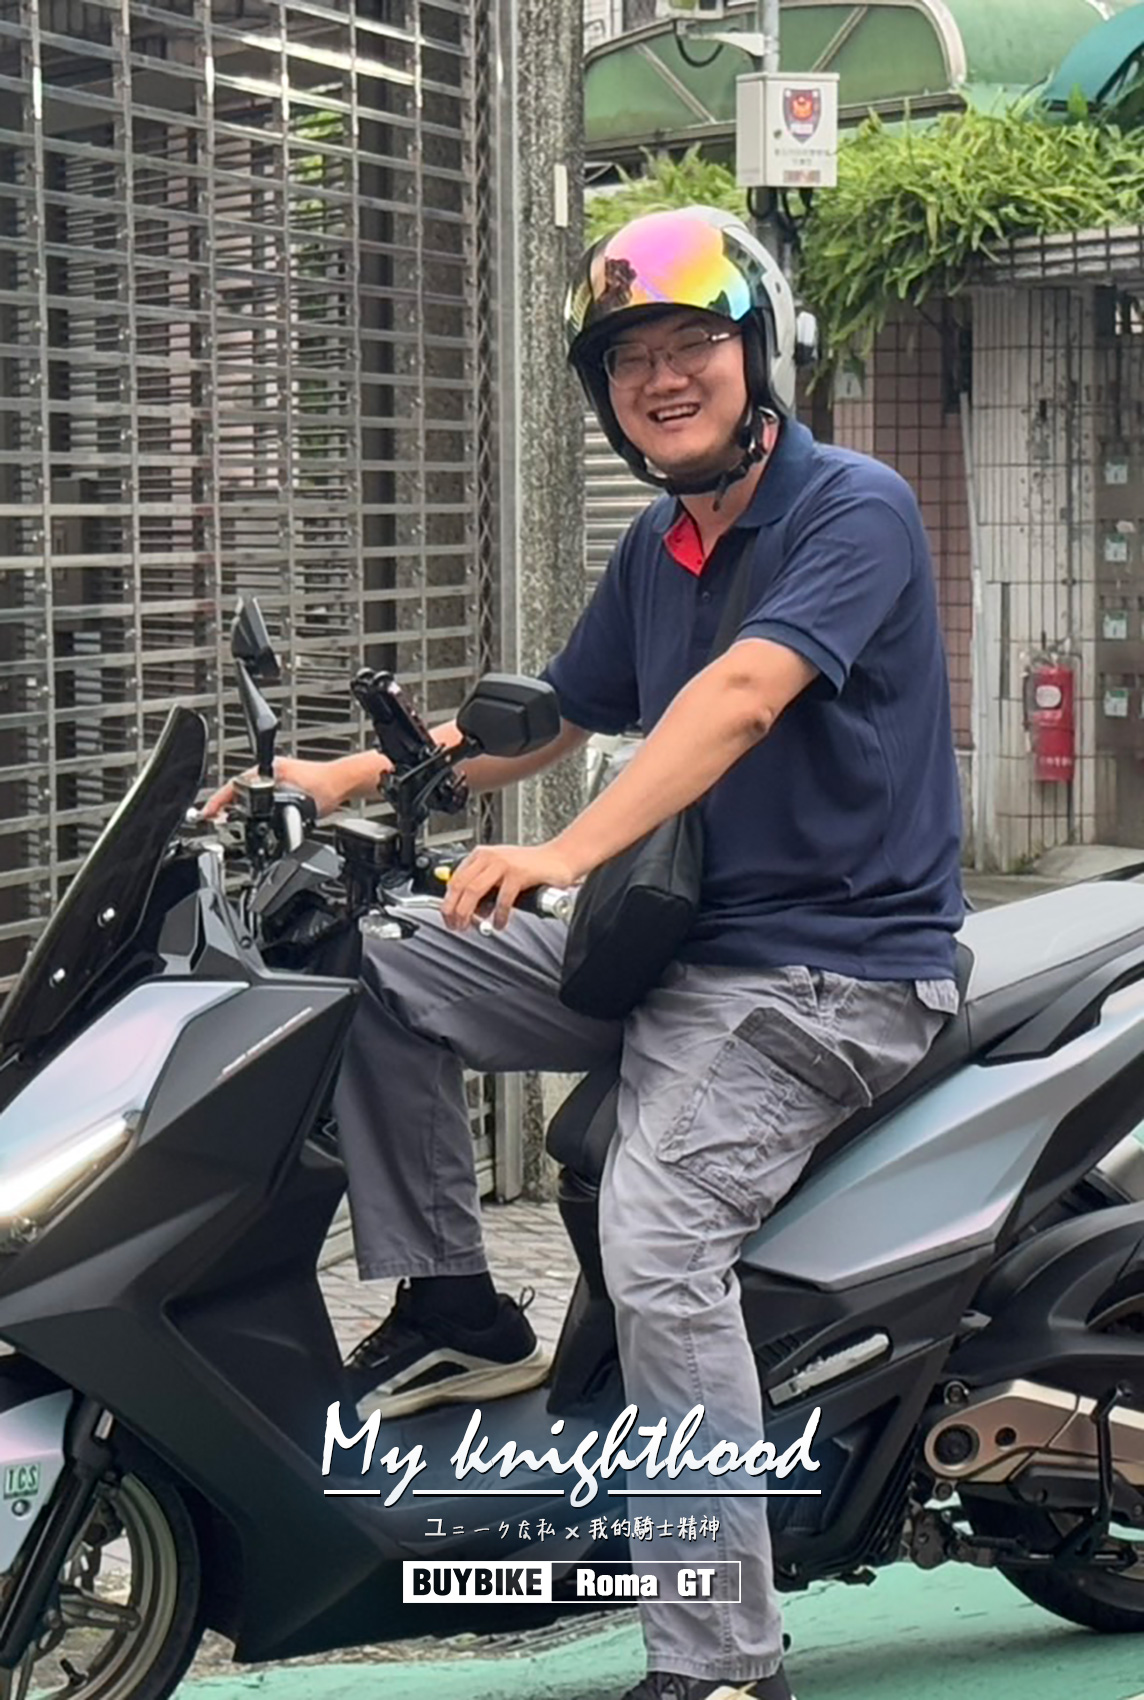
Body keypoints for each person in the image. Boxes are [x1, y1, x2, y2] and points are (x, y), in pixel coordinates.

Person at [205, 205, 964, 1700]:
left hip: (829, 972)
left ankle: (723, 1661)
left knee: (658, 1245)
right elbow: (554, 713)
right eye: (629, 360)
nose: (662, 379)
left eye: (691, 346)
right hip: (668, 954)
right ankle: (455, 1307)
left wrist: (565, 851)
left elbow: (742, 697)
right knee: (371, 960)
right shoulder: (661, 543)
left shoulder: (852, 511)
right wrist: (347, 779)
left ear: (757, 356)